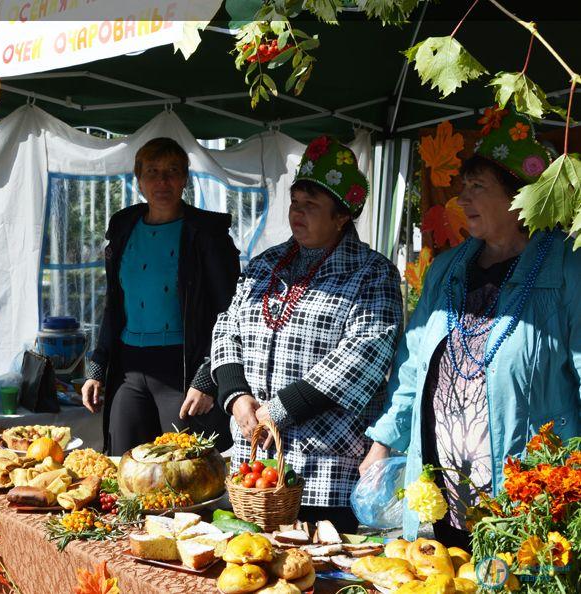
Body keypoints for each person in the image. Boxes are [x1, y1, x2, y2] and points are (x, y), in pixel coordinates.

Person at [361, 107, 581, 548]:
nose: (463, 199)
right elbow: (413, 363)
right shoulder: (448, 269)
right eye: (464, 187)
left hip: (528, 487)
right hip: (445, 486)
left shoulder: (567, 268)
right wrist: (384, 440)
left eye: (477, 187)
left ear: (521, 197)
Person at [211, 136, 403, 533]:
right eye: (295, 203)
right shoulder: (264, 265)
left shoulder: (372, 273)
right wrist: (237, 397)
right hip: (254, 468)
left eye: (311, 206)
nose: (297, 214)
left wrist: (279, 410)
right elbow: (227, 326)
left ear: (342, 216)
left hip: (324, 469)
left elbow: (364, 356)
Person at [82, 137, 239, 455]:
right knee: (123, 467)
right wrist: (98, 367)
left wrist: (209, 377)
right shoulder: (124, 227)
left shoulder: (207, 235)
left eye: (172, 171)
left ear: (185, 178)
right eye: (152, 171)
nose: (162, 181)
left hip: (183, 371)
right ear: (138, 179)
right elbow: (114, 305)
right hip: (129, 368)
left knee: (183, 473)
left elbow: (230, 315)